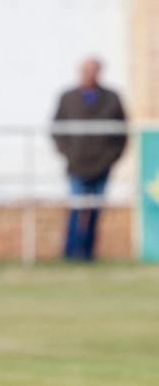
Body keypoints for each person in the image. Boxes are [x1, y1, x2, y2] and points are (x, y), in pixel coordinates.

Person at [53, 57, 128, 261]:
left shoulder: (112, 98)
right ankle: (70, 253)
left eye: (93, 70)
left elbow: (122, 133)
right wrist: (69, 153)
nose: (89, 74)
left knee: (95, 210)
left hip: (102, 164)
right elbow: (57, 129)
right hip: (76, 163)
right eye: (86, 70)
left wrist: (111, 158)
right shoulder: (68, 97)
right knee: (76, 209)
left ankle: (88, 254)